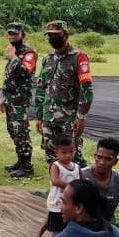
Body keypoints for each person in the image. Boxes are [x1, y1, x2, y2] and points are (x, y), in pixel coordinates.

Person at [34, 20, 93, 168]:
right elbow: (41, 87)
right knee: (51, 157)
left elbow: (86, 89)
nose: (52, 38)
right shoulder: (48, 59)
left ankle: (81, 189)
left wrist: (81, 116)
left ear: (65, 34)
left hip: (69, 119)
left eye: (56, 34)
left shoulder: (79, 57)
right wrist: (39, 116)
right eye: (49, 35)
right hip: (49, 117)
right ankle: (58, 189)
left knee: (74, 157)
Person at [22, 135, 84, 237]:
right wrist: (74, 186)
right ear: (56, 152)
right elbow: (55, 181)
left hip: (73, 205)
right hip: (58, 204)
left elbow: (84, 180)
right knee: (57, 229)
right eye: (64, 152)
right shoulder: (56, 166)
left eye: (71, 151)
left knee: (73, 228)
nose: (68, 155)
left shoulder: (76, 167)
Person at [0, 22, 39, 178]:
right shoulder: (14, 51)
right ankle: (20, 160)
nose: (11, 36)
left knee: (21, 131)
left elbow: (25, 71)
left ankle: (27, 166)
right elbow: (9, 77)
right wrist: (3, 98)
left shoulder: (29, 53)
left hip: (20, 99)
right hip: (10, 99)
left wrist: (13, 58)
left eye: (15, 34)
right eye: (9, 33)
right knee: (12, 129)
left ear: (23, 34)